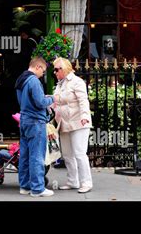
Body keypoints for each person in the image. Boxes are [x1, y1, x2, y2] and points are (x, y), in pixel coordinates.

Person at [15, 56, 55, 197]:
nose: (43, 74)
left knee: (24, 155)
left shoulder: (21, 79)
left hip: (24, 120)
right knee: (37, 156)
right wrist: (52, 98)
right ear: (37, 67)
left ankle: (24, 186)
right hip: (36, 121)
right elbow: (40, 102)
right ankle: (37, 188)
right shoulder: (33, 81)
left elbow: (23, 101)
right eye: (43, 71)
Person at [53, 57, 93, 193]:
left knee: (80, 153)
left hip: (78, 122)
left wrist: (85, 116)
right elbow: (57, 103)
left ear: (64, 69)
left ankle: (86, 182)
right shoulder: (59, 84)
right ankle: (72, 181)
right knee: (68, 154)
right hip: (64, 124)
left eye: (56, 69)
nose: (55, 72)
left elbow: (83, 101)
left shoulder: (77, 82)